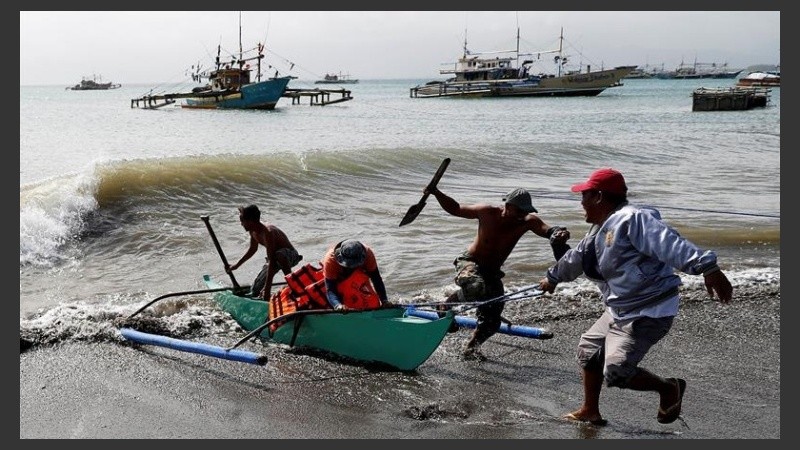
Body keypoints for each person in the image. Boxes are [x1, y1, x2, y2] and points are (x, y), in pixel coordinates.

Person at [538, 167, 733, 426]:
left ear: (598, 196)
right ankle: (590, 410)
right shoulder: (598, 229)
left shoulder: (632, 219)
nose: (581, 203)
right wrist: (552, 278)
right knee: (588, 353)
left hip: (648, 309)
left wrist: (707, 267)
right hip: (619, 308)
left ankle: (668, 388)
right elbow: (576, 258)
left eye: (583, 196)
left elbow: (669, 242)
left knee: (616, 372)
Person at [425, 185, 571, 360]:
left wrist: (560, 233)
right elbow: (455, 209)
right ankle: (445, 306)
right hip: (470, 262)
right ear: (508, 206)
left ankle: (471, 348)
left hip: (492, 272)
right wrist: (436, 192)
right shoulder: (487, 212)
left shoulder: (528, 221)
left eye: (525, 211)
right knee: (476, 286)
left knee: (493, 320)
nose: (521, 215)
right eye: (519, 211)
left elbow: (548, 231)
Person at [226, 204, 302, 300]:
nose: (241, 224)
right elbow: (252, 249)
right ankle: (262, 292)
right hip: (273, 259)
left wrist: (267, 289)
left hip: (290, 256)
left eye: (242, 221)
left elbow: (272, 262)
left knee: (279, 255)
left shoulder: (268, 232)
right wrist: (236, 265)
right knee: (255, 290)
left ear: (250, 221)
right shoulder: (252, 231)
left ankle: (292, 285)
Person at [321, 239, 389, 311]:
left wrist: (384, 301)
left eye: (354, 265)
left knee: (373, 303)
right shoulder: (331, 260)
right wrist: (338, 305)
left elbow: (376, 279)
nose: (351, 268)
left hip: (359, 275)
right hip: (340, 277)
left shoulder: (368, 255)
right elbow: (330, 289)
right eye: (349, 265)